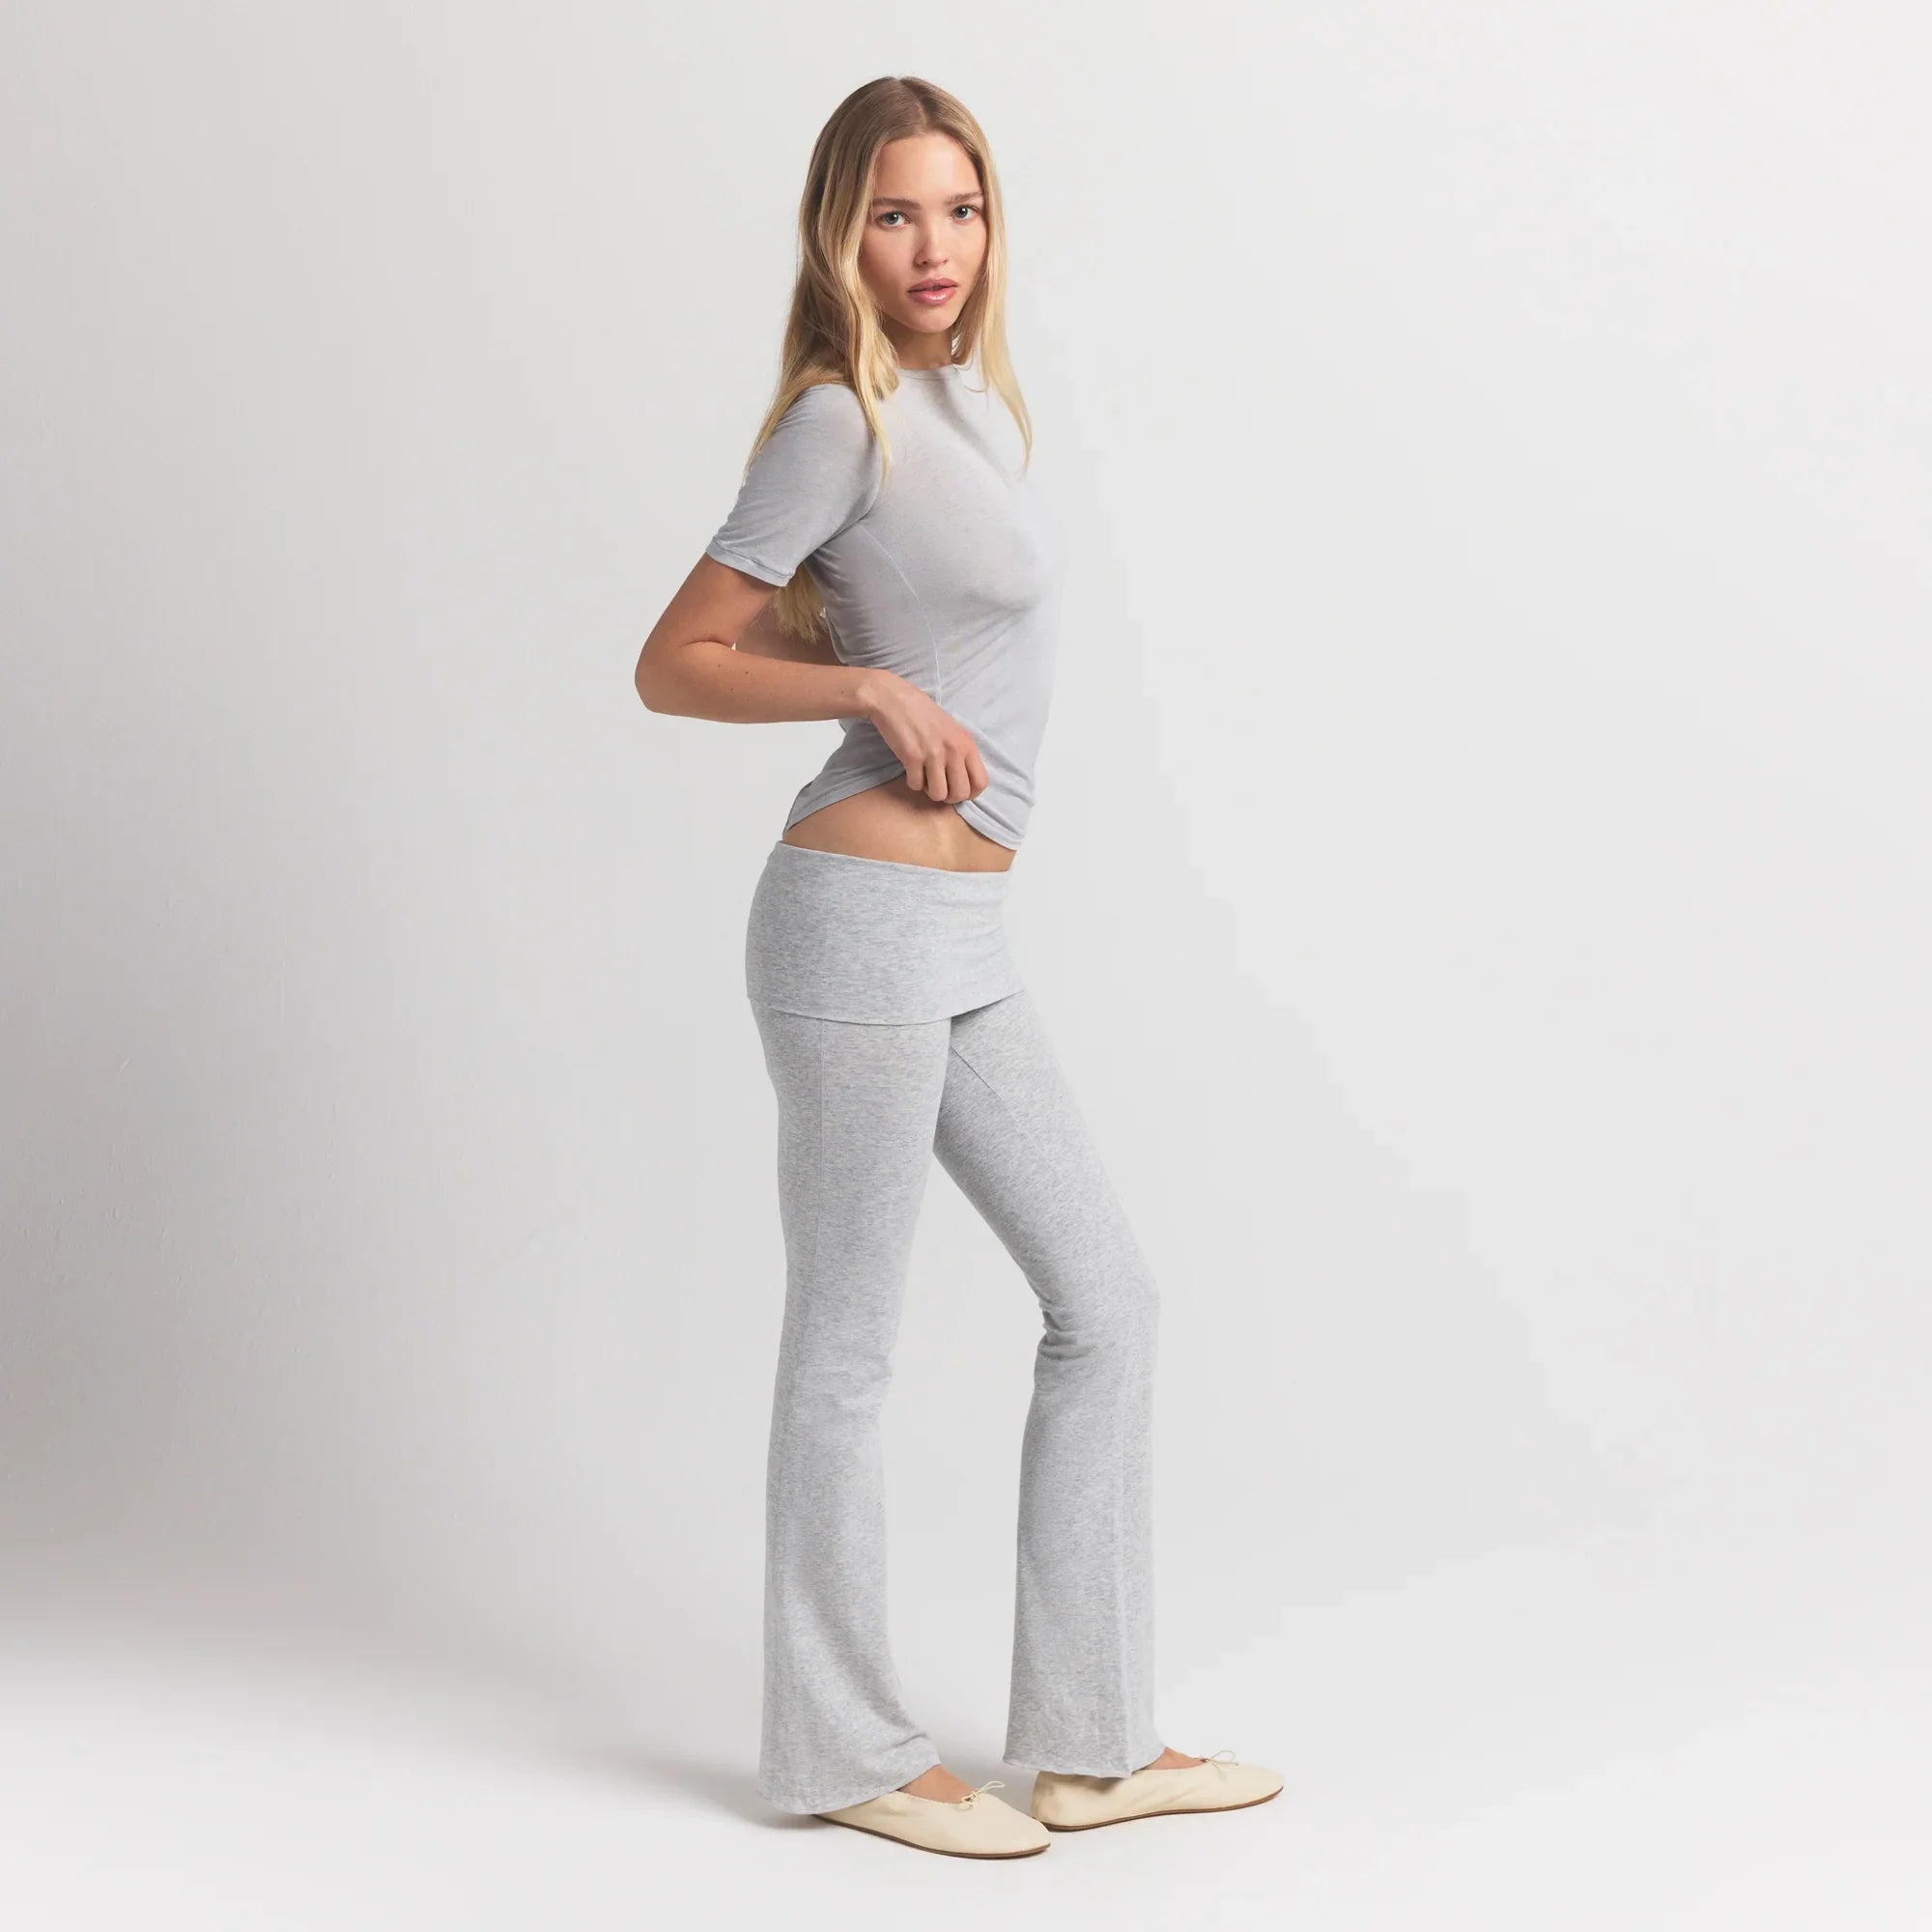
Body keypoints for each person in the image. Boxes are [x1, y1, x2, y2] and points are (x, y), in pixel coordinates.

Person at [635, 74, 1282, 1860]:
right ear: (840, 233)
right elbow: (674, 659)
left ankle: (1089, 1746)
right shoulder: (836, 420)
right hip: (856, 920)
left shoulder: (967, 410)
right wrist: (862, 684)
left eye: (962, 208)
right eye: (895, 214)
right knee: (849, 1347)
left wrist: (878, 657)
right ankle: (840, 1749)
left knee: (1108, 1303)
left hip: (963, 931)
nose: (935, 246)